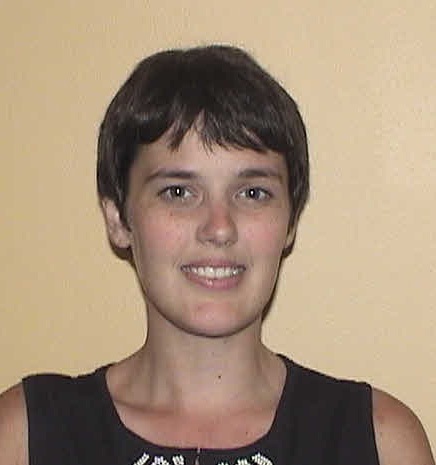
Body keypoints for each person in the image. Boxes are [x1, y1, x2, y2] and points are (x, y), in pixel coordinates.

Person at [0, 45, 433, 465]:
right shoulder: (26, 437)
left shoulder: (379, 442)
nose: (220, 227)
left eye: (253, 193)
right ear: (118, 217)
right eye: (178, 192)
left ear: (291, 220)